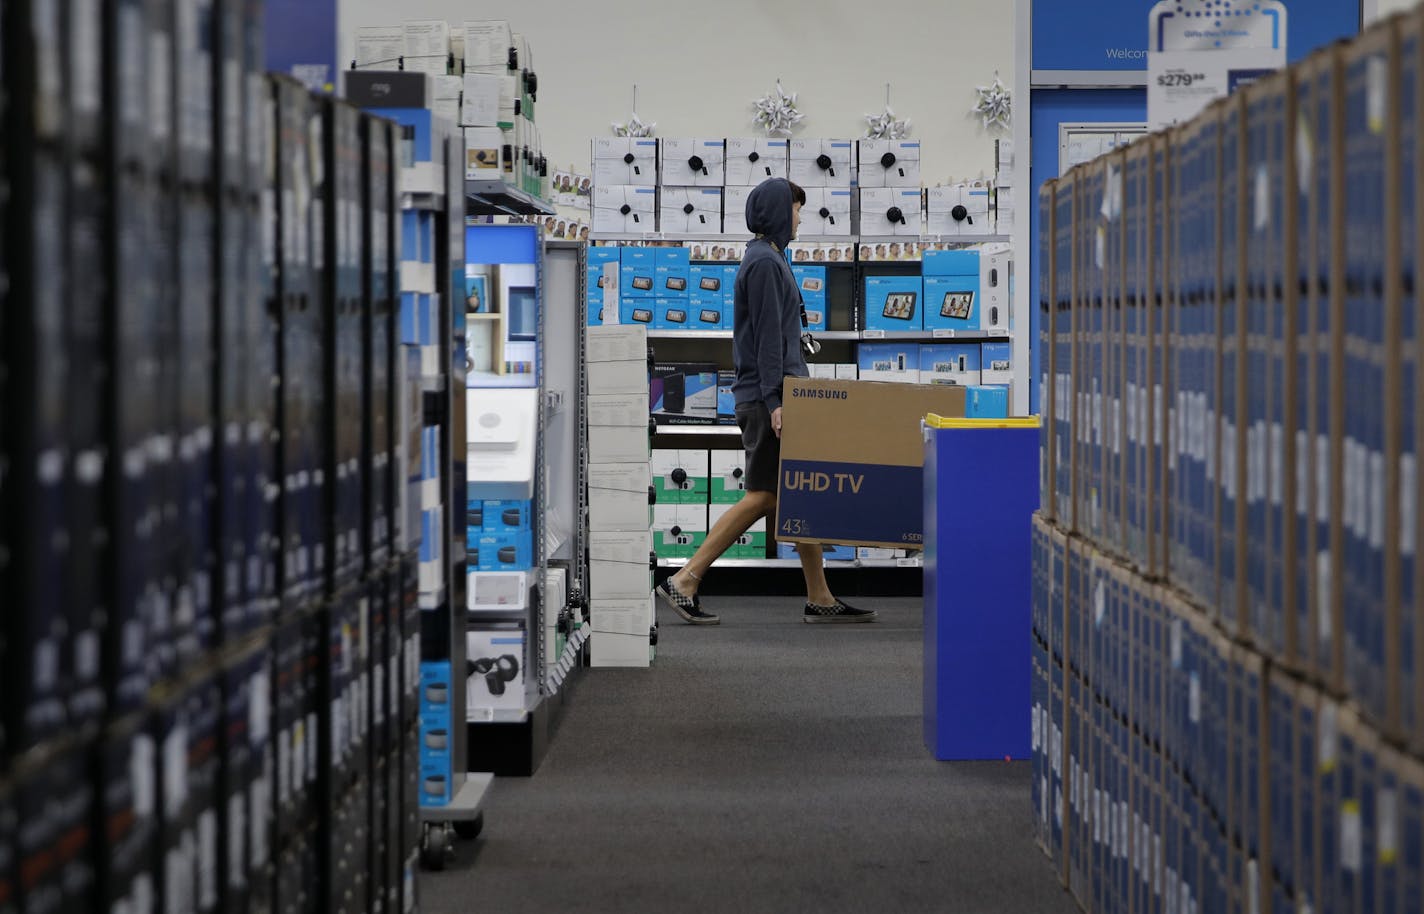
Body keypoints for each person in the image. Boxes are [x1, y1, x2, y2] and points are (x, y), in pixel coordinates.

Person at [655, 178, 877, 626]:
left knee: (798, 492)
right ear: (778, 212)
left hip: (776, 395)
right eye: (796, 209)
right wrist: (778, 402)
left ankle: (819, 594)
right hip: (767, 399)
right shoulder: (763, 263)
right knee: (766, 495)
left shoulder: (771, 259)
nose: (799, 218)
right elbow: (769, 342)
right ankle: (685, 579)